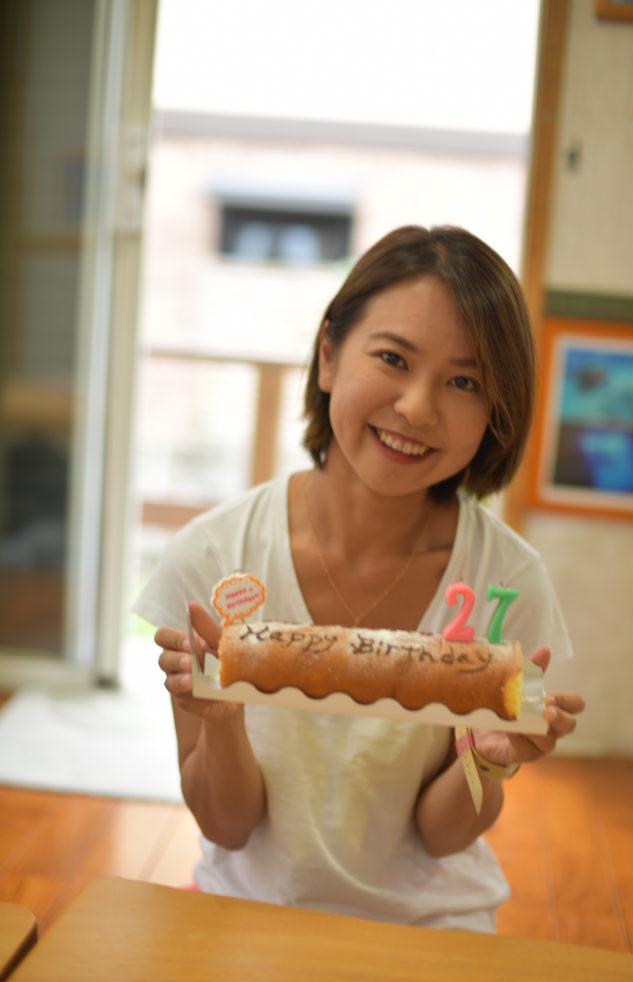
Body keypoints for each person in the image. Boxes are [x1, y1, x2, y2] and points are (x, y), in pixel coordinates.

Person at [134, 224, 584, 932]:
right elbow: (226, 825)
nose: (418, 408)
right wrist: (220, 720)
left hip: (433, 923)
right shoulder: (214, 557)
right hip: (249, 915)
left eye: (463, 381)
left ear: (494, 410)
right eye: (392, 358)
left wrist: (489, 762)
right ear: (328, 357)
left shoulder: (506, 582)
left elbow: (441, 836)